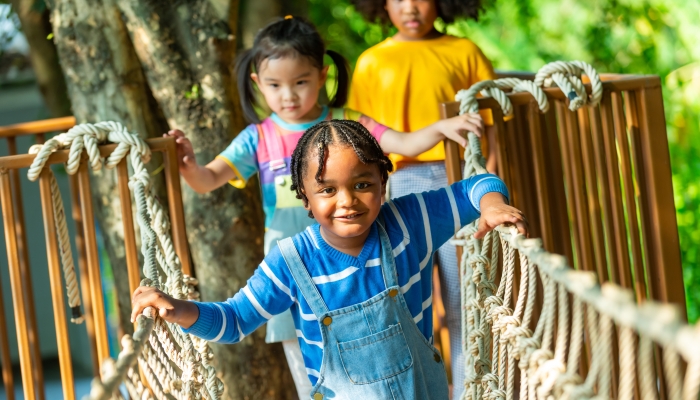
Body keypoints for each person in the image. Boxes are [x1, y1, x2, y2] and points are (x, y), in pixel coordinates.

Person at [163, 15, 490, 398]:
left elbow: (403, 143)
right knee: (313, 366)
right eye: (275, 85)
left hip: (362, 255)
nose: (289, 95)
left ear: (322, 75)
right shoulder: (259, 140)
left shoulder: (348, 127)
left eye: (300, 82)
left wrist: (441, 128)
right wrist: (186, 164)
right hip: (298, 272)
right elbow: (206, 181)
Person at [133, 120, 528, 399]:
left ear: (382, 183)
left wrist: (492, 207)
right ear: (304, 197)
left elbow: (480, 183)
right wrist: (177, 309)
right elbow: (234, 321)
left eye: (362, 185)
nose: (347, 201)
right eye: (327, 190)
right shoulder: (291, 262)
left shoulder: (411, 222)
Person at [348, 1, 498, 396]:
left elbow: (491, 130)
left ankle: (470, 388)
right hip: (398, 184)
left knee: (463, 290)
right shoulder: (371, 62)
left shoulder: (464, 51)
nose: (410, 6)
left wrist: (485, 180)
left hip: (457, 183)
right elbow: (363, 138)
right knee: (407, 295)